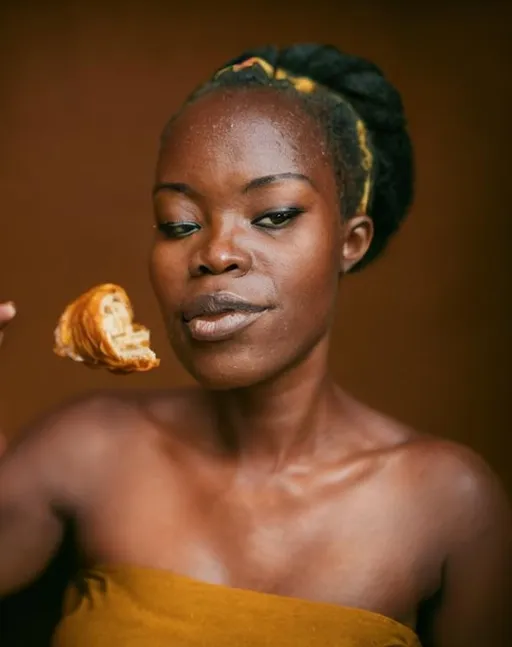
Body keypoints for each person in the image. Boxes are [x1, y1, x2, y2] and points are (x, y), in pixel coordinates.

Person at [0, 44, 510, 647]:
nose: (215, 253)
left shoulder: (449, 505)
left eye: (272, 215)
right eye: (178, 223)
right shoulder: (84, 450)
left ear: (351, 241)